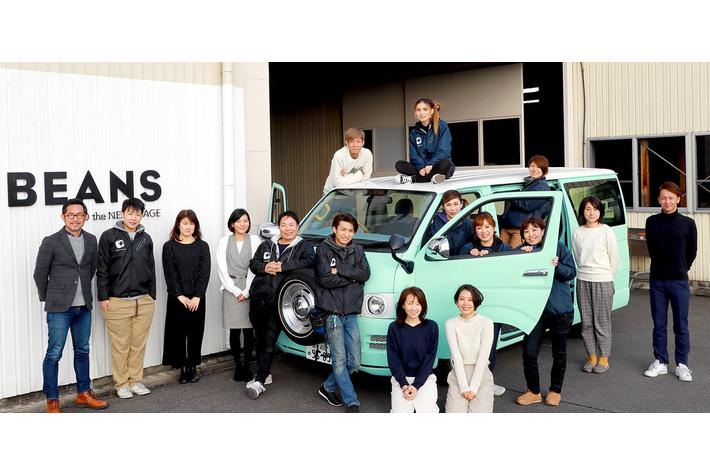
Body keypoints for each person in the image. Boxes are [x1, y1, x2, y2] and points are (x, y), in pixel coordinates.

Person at [33, 198, 108, 413]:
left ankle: (84, 393)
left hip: (83, 308)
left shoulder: (91, 240)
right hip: (59, 309)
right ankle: (52, 399)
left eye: (79, 215)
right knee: (54, 353)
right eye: (71, 215)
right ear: (63, 217)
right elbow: (40, 274)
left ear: (86, 217)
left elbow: (91, 270)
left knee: (82, 350)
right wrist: (50, 298)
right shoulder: (51, 241)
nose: (75, 219)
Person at [246, 210, 315, 399]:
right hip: (258, 297)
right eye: (284, 225)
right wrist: (265, 267)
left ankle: (259, 381)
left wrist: (283, 266)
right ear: (279, 227)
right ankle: (265, 373)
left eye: (291, 224)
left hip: (280, 302)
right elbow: (253, 264)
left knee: (269, 339)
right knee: (259, 338)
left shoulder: (304, 246)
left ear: (297, 227)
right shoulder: (267, 244)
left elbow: (310, 261)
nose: (287, 228)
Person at [97, 197, 156, 399]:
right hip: (117, 301)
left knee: (138, 345)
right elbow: (102, 269)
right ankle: (121, 383)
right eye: (130, 213)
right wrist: (104, 297)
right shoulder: (109, 236)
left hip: (143, 301)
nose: (134, 218)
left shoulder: (145, 238)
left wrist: (152, 296)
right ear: (122, 214)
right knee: (120, 346)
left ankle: (135, 381)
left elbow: (151, 268)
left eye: (138, 214)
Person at [515, 217, 576, 407]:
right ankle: (533, 391)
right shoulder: (520, 251)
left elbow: (571, 272)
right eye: (526, 231)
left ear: (543, 231)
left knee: (559, 353)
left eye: (535, 230)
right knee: (529, 352)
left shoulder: (557, 247)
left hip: (560, 309)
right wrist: (521, 259)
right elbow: (513, 279)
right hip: (534, 311)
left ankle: (555, 391)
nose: (531, 234)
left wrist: (557, 265)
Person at [315, 213, 371, 412]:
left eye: (350, 230)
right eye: (343, 229)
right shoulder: (323, 249)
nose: (346, 234)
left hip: (351, 313)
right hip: (333, 314)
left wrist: (339, 268)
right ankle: (351, 401)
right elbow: (325, 280)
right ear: (334, 229)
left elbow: (365, 274)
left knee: (354, 362)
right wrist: (352, 279)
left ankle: (327, 387)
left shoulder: (358, 249)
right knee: (339, 360)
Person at [643, 182, 697, 382]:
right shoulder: (652, 222)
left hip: (679, 281)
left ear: (678, 199)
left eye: (671, 198)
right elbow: (651, 249)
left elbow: (692, 251)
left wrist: (682, 268)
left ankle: (682, 364)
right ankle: (661, 361)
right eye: (664, 198)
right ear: (659, 200)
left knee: (681, 324)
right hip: (657, 280)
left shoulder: (688, 223)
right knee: (659, 323)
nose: (667, 201)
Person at [458, 212, 512, 396]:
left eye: (487, 226)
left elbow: (509, 272)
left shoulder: (504, 247)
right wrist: (469, 256)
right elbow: (457, 271)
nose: (484, 231)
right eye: (479, 227)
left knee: (489, 346)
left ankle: (486, 383)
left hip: (496, 303)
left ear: (494, 227)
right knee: (470, 346)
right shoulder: (468, 247)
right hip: (472, 306)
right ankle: (468, 383)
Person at [161, 210, 211, 384]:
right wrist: (179, 295)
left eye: (191, 223)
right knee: (179, 333)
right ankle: (182, 368)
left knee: (195, 333)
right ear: (178, 225)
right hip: (178, 298)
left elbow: (204, 272)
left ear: (195, 225)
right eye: (185, 223)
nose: (188, 227)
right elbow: (169, 272)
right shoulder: (169, 247)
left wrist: (198, 296)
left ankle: (193, 366)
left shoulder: (202, 246)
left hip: (197, 298)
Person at [572, 196, 620, 374]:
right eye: (587, 209)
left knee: (602, 322)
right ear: (582, 212)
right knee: (586, 322)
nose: (591, 213)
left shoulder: (606, 231)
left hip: (603, 280)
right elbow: (578, 257)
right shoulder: (577, 232)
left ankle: (604, 359)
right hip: (583, 279)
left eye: (595, 209)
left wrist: (607, 277)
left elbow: (615, 259)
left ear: (600, 211)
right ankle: (592, 357)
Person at [217, 208, 262, 382]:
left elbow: (256, 266)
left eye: (245, 220)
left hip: (250, 288)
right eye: (238, 221)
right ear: (232, 224)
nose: (242, 224)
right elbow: (221, 269)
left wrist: (247, 290)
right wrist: (235, 290)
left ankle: (247, 365)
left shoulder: (255, 240)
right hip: (230, 289)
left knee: (249, 330)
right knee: (234, 330)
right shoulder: (224, 241)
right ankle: (238, 365)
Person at [387, 287, 439, 413]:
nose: (414, 308)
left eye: (418, 304)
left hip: (425, 378)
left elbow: (429, 359)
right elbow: (393, 359)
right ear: (403, 305)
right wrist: (404, 385)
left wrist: (416, 386)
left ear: (423, 306)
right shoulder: (394, 328)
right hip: (401, 379)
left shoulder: (431, 327)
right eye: (410, 303)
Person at [445, 284, 494, 413]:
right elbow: (456, 357)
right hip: (458, 374)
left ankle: (489, 389)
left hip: (481, 374)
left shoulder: (486, 323)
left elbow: (483, 357)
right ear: (456, 302)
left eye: (470, 299)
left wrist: (473, 388)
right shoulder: (450, 324)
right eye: (462, 299)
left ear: (476, 302)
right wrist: (464, 387)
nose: (466, 303)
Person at [395, 98, 454, 184]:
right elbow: (413, 155)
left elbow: (443, 150)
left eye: (425, 109)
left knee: (446, 163)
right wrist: (421, 167)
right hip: (422, 168)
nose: (421, 113)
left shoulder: (442, 126)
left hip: (437, 165)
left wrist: (431, 164)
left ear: (432, 111)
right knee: (399, 165)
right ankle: (433, 177)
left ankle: (414, 179)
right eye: (418, 110)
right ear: (415, 112)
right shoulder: (414, 132)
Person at [500, 155, 552, 248]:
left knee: (513, 255)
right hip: (508, 227)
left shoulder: (542, 186)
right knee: (501, 253)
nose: (534, 169)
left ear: (544, 170)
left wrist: (509, 196)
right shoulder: (530, 183)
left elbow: (527, 206)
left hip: (519, 229)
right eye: (532, 166)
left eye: (539, 167)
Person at [323, 127, 374, 194]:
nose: (355, 145)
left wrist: (346, 176)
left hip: (352, 193)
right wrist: (359, 175)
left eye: (358, 141)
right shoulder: (339, 155)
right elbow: (337, 182)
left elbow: (366, 179)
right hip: (333, 192)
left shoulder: (367, 154)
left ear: (363, 142)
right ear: (347, 143)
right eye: (352, 142)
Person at [422, 189, 472, 255]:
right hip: (437, 259)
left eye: (456, 204)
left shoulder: (468, 223)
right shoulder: (435, 222)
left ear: (461, 204)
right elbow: (426, 245)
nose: (452, 209)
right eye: (448, 205)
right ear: (443, 206)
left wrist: (469, 248)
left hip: (461, 259)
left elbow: (476, 243)